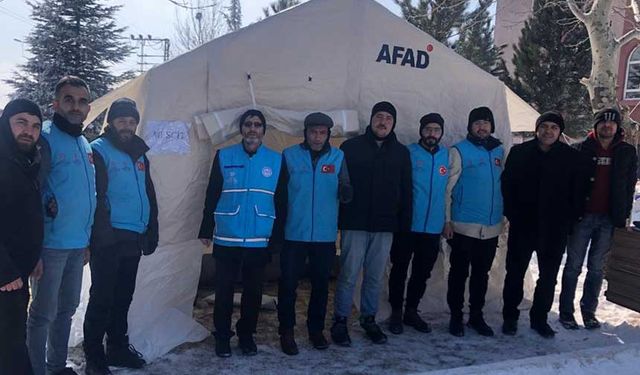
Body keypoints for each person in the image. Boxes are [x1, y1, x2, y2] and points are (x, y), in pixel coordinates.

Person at [198, 109, 287, 358]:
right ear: (241, 129)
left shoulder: (276, 160)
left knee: (253, 292)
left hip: (260, 238)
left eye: (257, 125)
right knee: (224, 290)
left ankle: (246, 335)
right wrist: (206, 227)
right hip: (228, 235)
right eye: (248, 124)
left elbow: (282, 201)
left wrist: (277, 237)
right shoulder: (224, 156)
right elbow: (212, 192)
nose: (252, 129)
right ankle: (223, 337)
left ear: (263, 130)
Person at [83, 98, 159, 374]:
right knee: (102, 297)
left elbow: (148, 194)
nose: (127, 126)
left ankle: (117, 347)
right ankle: (94, 356)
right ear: (111, 122)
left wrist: (152, 229)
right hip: (110, 238)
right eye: (121, 121)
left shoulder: (140, 153)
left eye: (131, 122)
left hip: (134, 237)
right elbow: (97, 198)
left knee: (123, 296)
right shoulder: (99, 151)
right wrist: (103, 237)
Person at [28, 76, 96, 375]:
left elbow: (87, 194)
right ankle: (34, 369)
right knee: (43, 313)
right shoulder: (44, 137)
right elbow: (30, 191)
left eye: (82, 101)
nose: (75, 106)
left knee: (66, 309)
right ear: (55, 103)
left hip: (77, 243)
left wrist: (87, 240)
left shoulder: (83, 142)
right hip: (50, 245)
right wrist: (34, 249)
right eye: (68, 99)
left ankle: (56, 366)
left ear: (89, 107)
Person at [331, 101, 412, 346]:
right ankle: (340, 321)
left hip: (385, 225)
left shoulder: (401, 152)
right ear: (371, 119)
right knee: (348, 275)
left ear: (393, 123)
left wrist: (404, 225)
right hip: (354, 222)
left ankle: (369, 318)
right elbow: (338, 184)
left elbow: (406, 191)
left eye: (388, 117)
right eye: (379, 116)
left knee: (375, 276)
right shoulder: (350, 147)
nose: (383, 121)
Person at [501, 111, 583, 338]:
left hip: (554, 229)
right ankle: (510, 316)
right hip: (523, 224)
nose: (548, 131)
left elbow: (578, 192)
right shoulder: (519, 153)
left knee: (548, 276)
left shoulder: (571, 157)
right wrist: (512, 214)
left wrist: (570, 220)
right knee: (514, 273)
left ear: (559, 132)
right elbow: (507, 186)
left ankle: (540, 318)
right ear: (537, 129)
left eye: (554, 128)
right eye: (544, 126)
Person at [277, 112, 352, 355]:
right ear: (305, 133)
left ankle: (316, 330)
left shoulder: (338, 156)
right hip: (294, 233)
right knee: (288, 285)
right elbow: (279, 193)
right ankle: (286, 332)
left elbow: (346, 185)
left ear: (328, 134)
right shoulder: (289, 156)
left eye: (322, 133)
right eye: (313, 132)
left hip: (324, 234)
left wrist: (346, 192)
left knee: (320, 285)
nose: (317, 137)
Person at [559, 108, 637, 330]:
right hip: (582, 217)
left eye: (612, 124)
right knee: (573, 266)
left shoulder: (627, 152)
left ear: (618, 127)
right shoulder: (580, 149)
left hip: (608, 219)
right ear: (596, 125)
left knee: (596, 268)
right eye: (603, 122)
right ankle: (566, 312)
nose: (608, 126)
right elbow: (568, 186)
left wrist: (624, 217)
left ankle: (589, 311)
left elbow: (629, 186)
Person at [444, 106, 504, 337]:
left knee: (482, 274)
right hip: (463, 226)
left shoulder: (499, 151)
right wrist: (447, 220)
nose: (482, 127)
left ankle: (476, 316)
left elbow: (503, 186)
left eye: (486, 123)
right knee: (459, 273)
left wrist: (503, 216)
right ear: (470, 126)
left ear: (491, 126)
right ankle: (456, 316)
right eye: (477, 123)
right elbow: (447, 189)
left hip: (490, 227)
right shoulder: (459, 151)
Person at [387, 113, 448, 335]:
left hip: (432, 227)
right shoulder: (409, 153)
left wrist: (446, 221)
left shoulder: (447, 155)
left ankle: (411, 310)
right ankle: (395, 310)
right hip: (408, 225)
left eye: (436, 130)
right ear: (421, 130)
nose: (432, 134)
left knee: (422, 272)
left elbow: (448, 190)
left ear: (441, 133)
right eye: (428, 129)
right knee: (400, 269)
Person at [0, 99, 44, 375]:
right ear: (6, 123)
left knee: (13, 341)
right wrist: (3, 270)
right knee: (10, 349)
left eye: (36, 125)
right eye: (21, 122)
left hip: (19, 271)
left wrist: (34, 255)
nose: (29, 130)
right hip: (5, 277)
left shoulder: (24, 160)